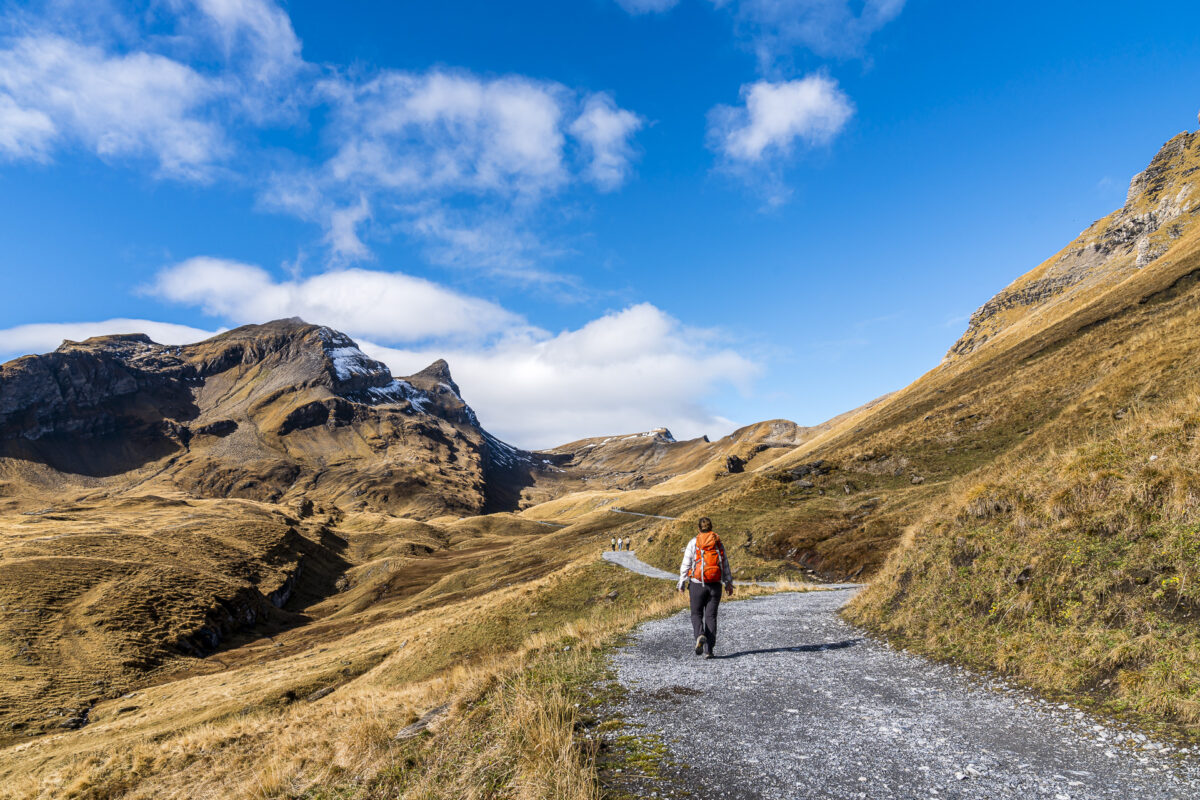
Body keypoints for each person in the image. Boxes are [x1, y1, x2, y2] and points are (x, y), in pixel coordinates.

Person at [677, 517, 734, 659]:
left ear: (698, 529)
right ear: (711, 527)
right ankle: (709, 650)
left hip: (697, 584)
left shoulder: (694, 542)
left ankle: (700, 634)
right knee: (711, 616)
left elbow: (686, 564)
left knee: (696, 614)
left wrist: (682, 582)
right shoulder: (717, 542)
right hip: (715, 585)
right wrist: (728, 582)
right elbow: (724, 563)